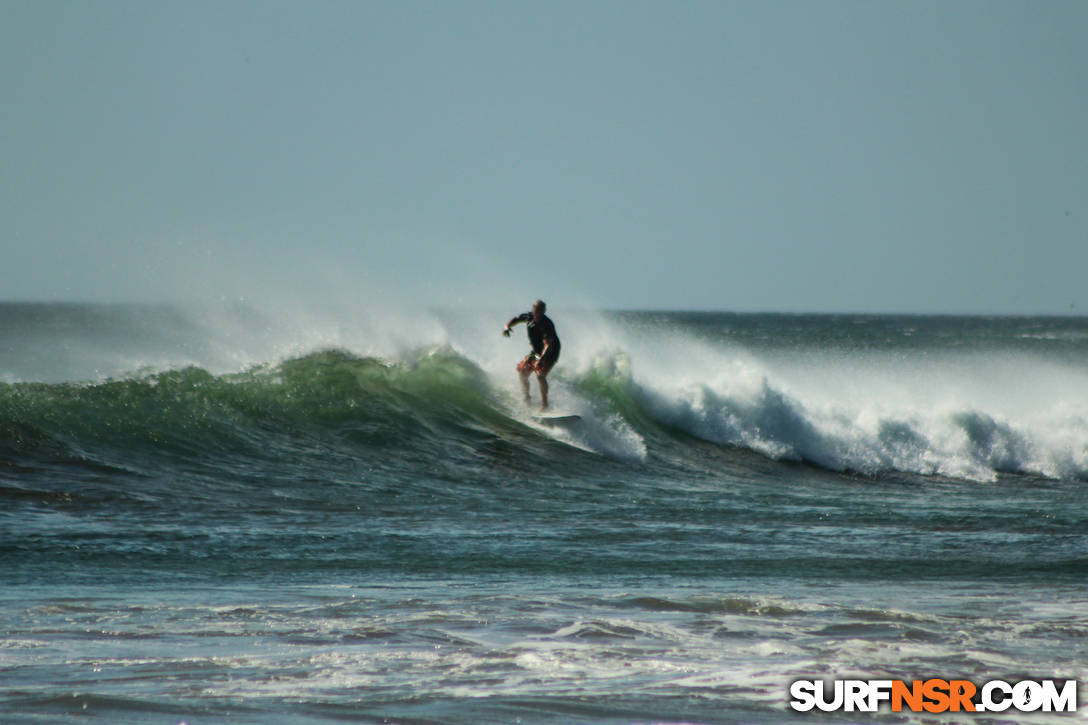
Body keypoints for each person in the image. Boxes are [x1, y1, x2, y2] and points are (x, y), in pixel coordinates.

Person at [503, 299, 561, 410]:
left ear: (544, 311)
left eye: (541, 311)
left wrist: (541, 359)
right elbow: (516, 319)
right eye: (537, 311)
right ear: (533, 309)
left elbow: (548, 344)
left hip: (551, 352)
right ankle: (527, 398)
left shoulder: (547, 325)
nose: (538, 314)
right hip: (537, 351)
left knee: (540, 375)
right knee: (522, 371)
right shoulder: (529, 317)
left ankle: (545, 405)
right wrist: (507, 327)